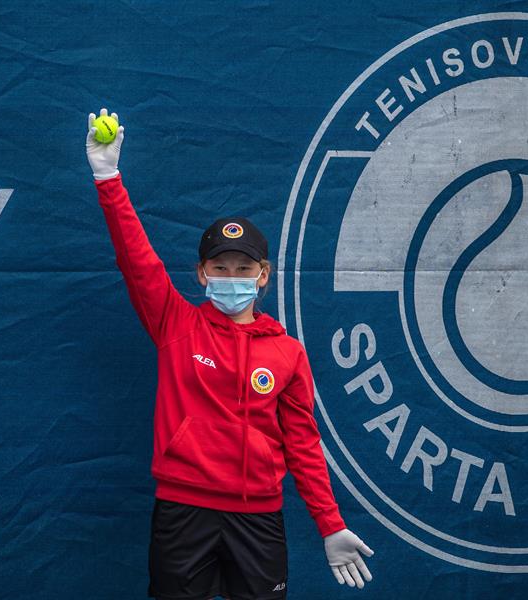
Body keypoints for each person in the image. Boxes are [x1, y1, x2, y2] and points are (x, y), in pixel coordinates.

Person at [85, 107, 374, 600]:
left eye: (243, 269)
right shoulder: (175, 324)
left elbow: (303, 444)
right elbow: (137, 260)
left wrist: (330, 524)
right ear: (202, 273)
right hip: (184, 512)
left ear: (263, 276)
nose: (231, 277)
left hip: (257, 518)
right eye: (220, 268)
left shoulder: (287, 353)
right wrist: (108, 179)